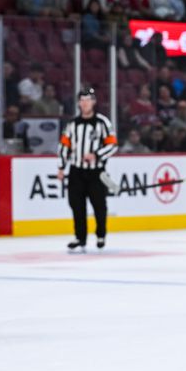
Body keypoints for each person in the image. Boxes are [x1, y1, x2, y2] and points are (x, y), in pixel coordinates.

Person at [57, 88, 118, 252]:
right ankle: (80, 237)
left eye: (88, 99)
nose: (85, 103)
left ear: (94, 102)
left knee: (99, 205)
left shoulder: (102, 122)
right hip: (76, 171)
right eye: (82, 100)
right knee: (76, 205)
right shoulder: (72, 124)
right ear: (78, 103)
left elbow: (112, 145)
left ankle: (101, 234)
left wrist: (96, 154)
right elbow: (64, 146)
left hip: (96, 172)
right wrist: (62, 167)